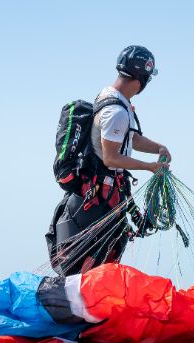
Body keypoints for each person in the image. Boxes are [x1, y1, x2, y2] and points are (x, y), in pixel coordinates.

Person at [46, 45, 172, 276]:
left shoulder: (114, 99)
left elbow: (129, 138)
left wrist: (158, 148)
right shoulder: (117, 111)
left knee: (100, 271)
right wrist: (149, 167)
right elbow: (111, 156)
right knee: (86, 273)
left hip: (105, 199)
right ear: (142, 77)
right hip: (95, 204)